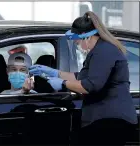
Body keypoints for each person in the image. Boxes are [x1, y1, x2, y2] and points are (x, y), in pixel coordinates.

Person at [29, 11, 138, 145]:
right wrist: (54, 72)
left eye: (77, 42)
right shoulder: (98, 51)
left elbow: (90, 85)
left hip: (110, 120)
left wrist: (63, 83)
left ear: (87, 37)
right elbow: (80, 76)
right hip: (103, 118)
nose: (78, 45)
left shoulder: (104, 51)